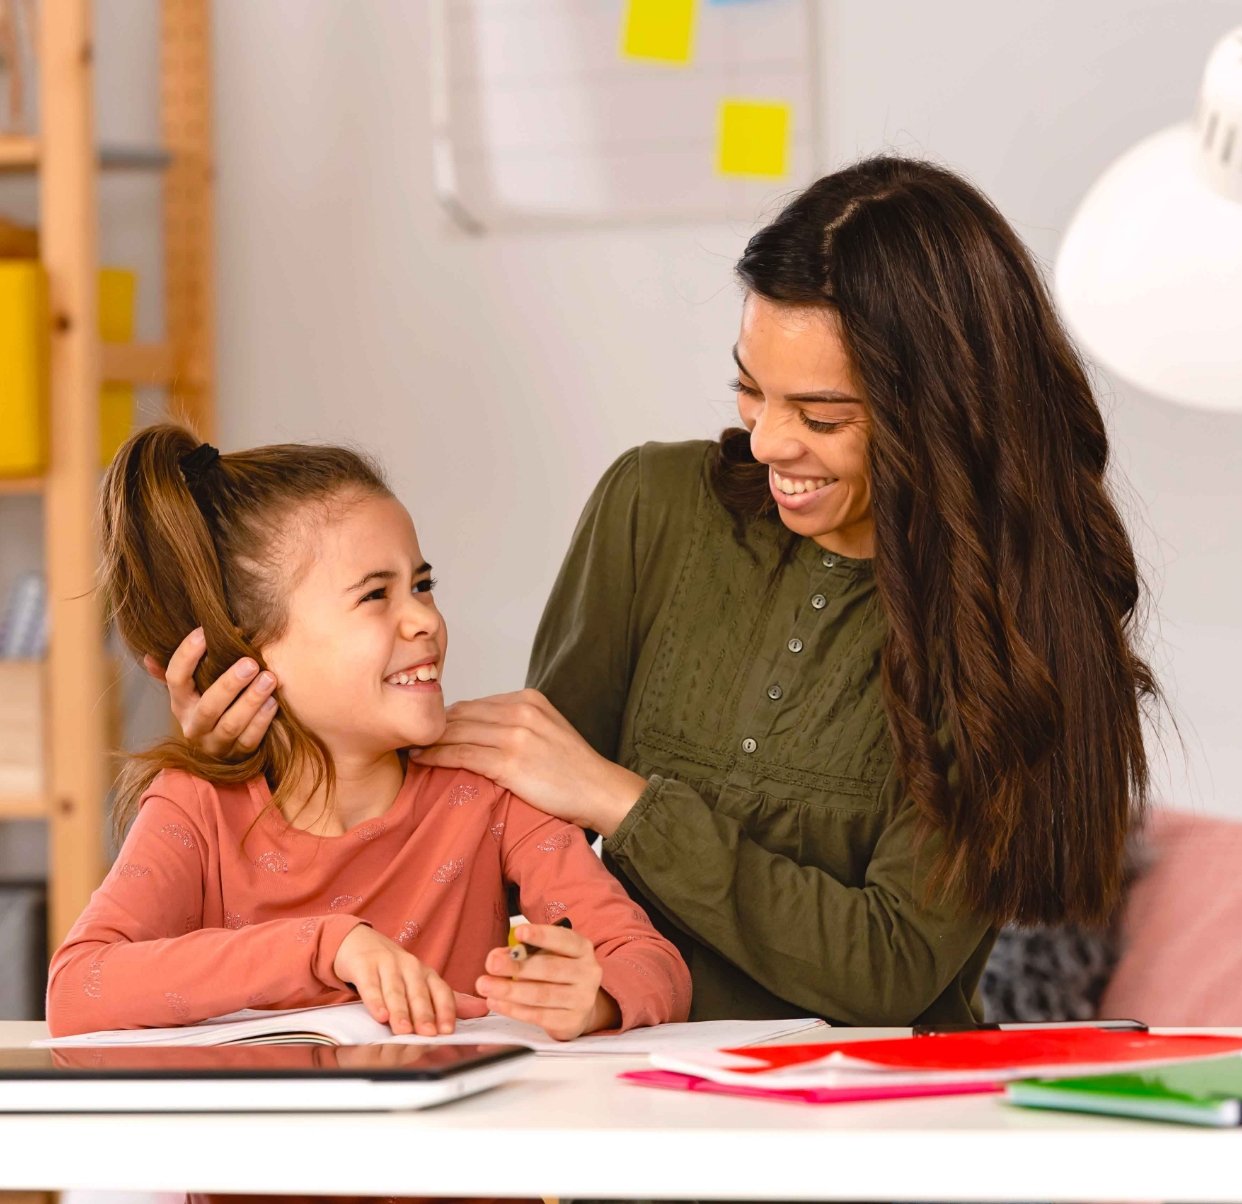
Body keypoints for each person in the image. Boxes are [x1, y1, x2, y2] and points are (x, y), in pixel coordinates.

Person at [154, 154, 1157, 1030]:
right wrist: (268, 749)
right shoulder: (655, 506)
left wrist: (621, 799)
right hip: (623, 1121)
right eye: (750, 390)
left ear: (941, 414)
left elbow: (888, 965)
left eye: (820, 413)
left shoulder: (1012, 631)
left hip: (866, 1147)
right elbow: (495, 824)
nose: (768, 441)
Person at [47, 423, 691, 1045]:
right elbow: (77, 989)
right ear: (251, 651)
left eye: (422, 585)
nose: (425, 620)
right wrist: (327, 946)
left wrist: (596, 995)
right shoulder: (197, 804)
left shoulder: (488, 790)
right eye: (375, 596)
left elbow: (648, 960)